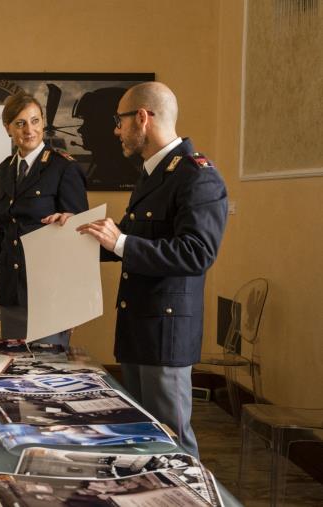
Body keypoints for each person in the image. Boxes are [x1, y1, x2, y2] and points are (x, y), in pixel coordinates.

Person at [75, 82, 228, 457]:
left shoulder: (196, 175)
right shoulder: (154, 172)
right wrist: (77, 232)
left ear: (142, 117)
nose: (116, 130)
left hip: (166, 333)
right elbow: (134, 239)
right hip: (139, 325)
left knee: (173, 440)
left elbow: (197, 253)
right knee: (144, 435)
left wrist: (120, 242)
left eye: (119, 121)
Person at [0, 92, 88, 347]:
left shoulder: (63, 168)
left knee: (47, 373)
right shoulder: (3, 171)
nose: (29, 130)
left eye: (35, 121)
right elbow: (3, 231)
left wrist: (74, 300)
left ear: (42, 123)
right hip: (12, 290)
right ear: (8, 128)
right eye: (20, 123)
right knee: (16, 368)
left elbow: (80, 237)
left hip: (50, 292)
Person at [73, 87, 141, 191]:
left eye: (89, 122)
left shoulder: (115, 173)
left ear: (106, 126)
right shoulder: (102, 168)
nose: (80, 130)